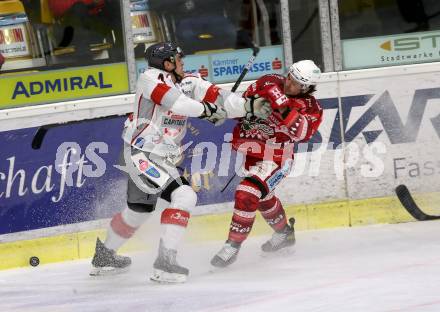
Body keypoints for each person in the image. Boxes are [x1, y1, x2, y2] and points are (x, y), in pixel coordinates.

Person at [89, 42, 270, 283]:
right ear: (167, 63)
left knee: (139, 211)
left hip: (158, 156)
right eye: (178, 59)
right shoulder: (150, 79)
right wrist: (208, 111)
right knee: (185, 196)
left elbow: (221, 98)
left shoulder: (189, 82)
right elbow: (178, 103)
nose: (183, 63)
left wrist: (247, 107)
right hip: (142, 152)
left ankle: (104, 256)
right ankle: (165, 263)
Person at [211, 60, 323, 267]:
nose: (289, 84)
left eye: (297, 83)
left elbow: (301, 133)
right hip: (253, 153)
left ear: (307, 87)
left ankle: (232, 246)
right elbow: (243, 106)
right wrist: (222, 112)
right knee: (263, 198)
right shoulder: (269, 81)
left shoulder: (312, 108)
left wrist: (279, 102)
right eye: (290, 77)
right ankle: (284, 234)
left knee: (247, 193)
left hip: (277, 159)